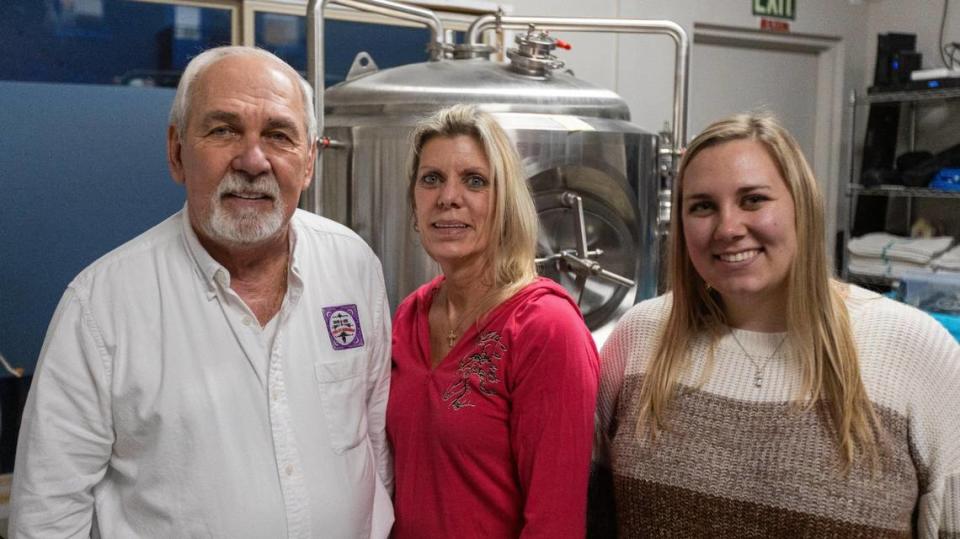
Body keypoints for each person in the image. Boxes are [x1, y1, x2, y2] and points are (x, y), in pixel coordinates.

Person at [9, 46, 393, 538]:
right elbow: (47, 515)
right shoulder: (101, 307)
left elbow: (375, 443)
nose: (254, 160)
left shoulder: (353, 265)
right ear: (176, 152)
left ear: (310, 162)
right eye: (224, 129)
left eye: (279, 135)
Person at [595, 112, 960, 537]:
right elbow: (593, 515)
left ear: (801, 206)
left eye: (753, 200)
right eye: (702, 207)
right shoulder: (641, 336)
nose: (728, 228)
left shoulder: (909, 347)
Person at [387, 104, 600, 538]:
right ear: (414, 201)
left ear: (505, 202)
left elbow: (554, 522)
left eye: (475, 181)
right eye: (431, 179)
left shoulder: (544, 326)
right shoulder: (410, 316)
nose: (448, 197)